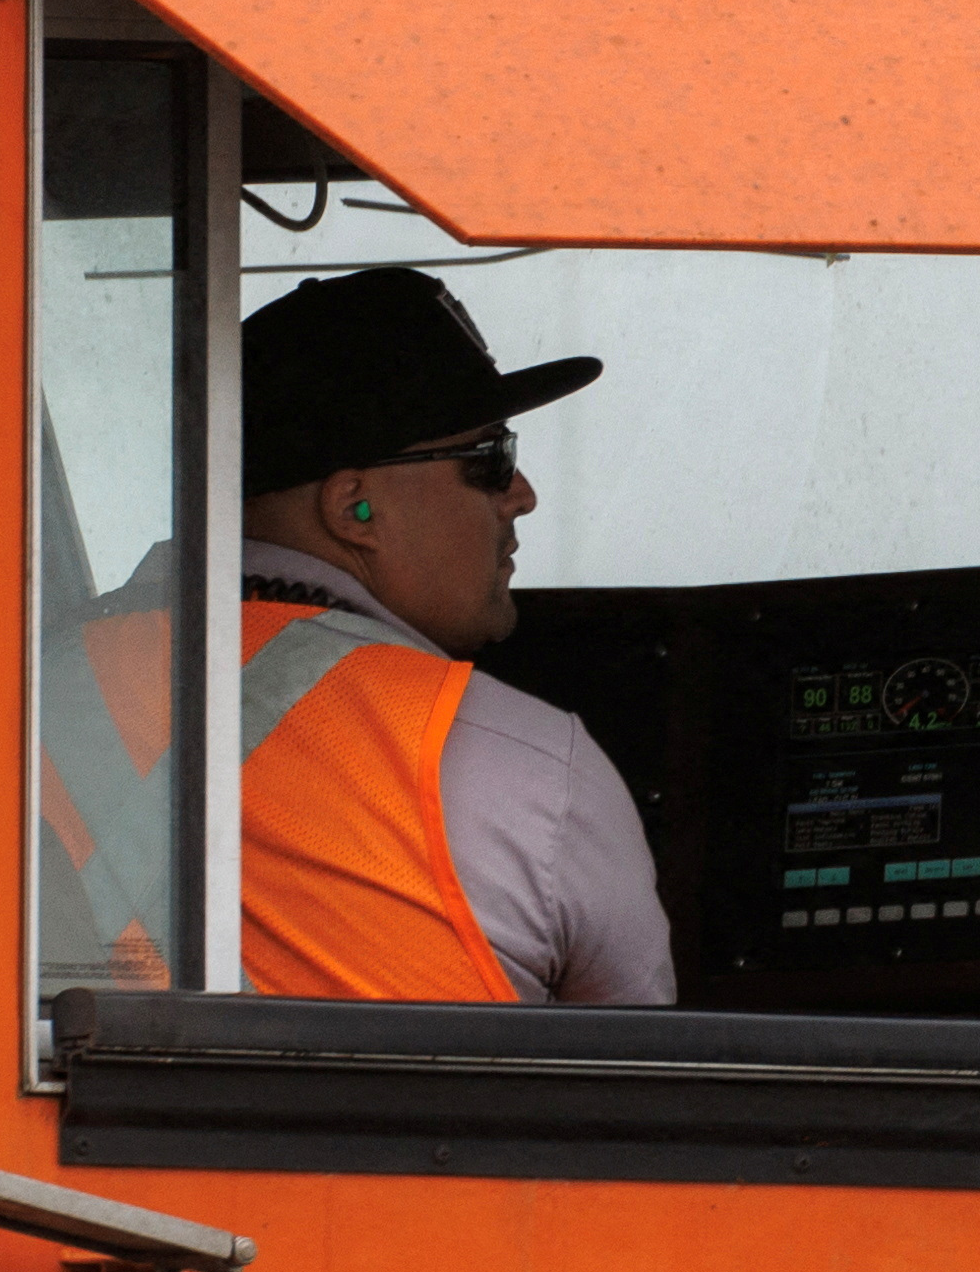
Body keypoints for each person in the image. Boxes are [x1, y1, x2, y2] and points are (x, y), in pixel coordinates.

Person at [227, 267, 673, 1005]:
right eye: (489, 461)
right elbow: (642, 1083)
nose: (521, 497)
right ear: (353, 509)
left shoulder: (32, 687)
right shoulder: (530, 766)